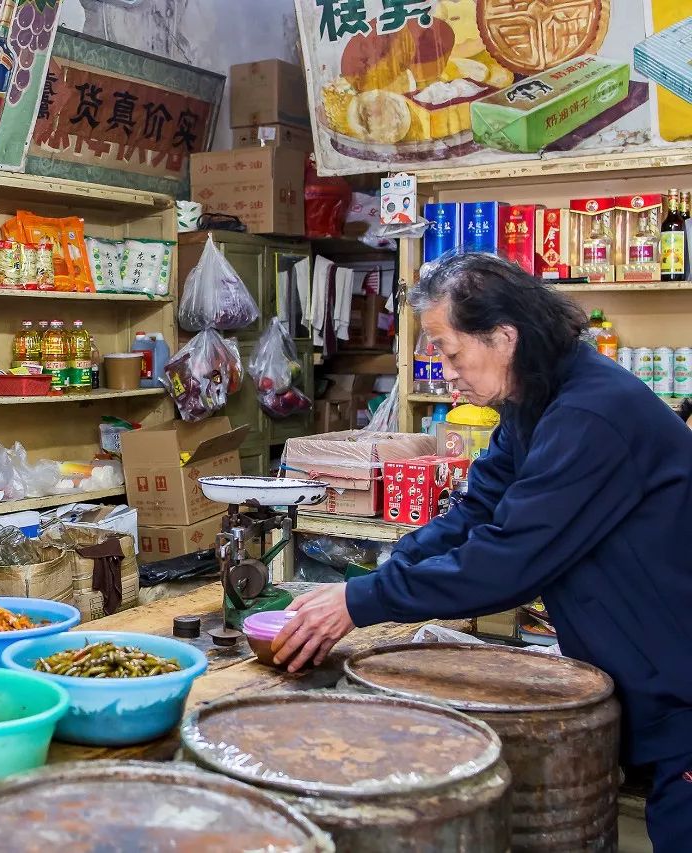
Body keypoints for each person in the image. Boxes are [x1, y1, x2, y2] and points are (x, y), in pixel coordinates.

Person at [272, 253, 692, 852]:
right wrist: (384, 572)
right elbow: (475, 511)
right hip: (651, 683)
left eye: (447, 350)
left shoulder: (591, 414)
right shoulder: (535, 401)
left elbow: (509, 561)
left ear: (504, 336)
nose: (445, 372)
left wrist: (363, 602)